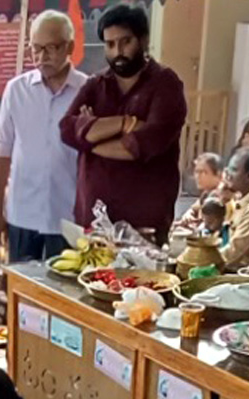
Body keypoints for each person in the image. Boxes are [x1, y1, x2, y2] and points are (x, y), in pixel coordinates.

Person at [59, 5, 187, 243]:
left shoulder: (166, 85)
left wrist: (91, 136)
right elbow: (67, 129)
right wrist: (124, 123)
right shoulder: (96, 84)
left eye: (125, 42)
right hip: (94, 223)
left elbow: (144, 144)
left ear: (144, 40)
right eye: (110, 44)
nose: (117, 51)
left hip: (144, 226)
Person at [0, 10, 86, 262]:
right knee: (22, 292)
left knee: (64, 293)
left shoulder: (87, 91)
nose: (42, 57)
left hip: (69, 215)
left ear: (70, 46)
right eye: (36, 49)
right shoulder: (17, 90)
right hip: (23, 212)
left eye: (51, 48)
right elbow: (2, 151)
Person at [175, 151, 226, 230]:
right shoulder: (206, 193)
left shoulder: (223, 196)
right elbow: (194, 209)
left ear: (218, 175)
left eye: (202, 172)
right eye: (196, 172)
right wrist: (188, 215)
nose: (197, 176)